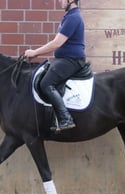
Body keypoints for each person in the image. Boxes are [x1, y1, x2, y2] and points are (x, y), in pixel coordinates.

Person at [25, 0, 85, 131]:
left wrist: (35, 52)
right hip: (64, 59)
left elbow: (56, 43)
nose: (59, 1)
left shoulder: (73, 18)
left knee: (46, 83)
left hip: (72, 60)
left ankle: (66, 118)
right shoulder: (68, 17)